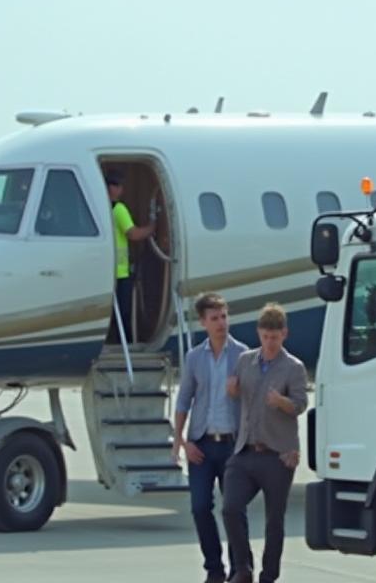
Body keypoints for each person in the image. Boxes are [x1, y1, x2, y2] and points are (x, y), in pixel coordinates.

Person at [222, 303, 308, 583]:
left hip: (278, 455)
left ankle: (269, 576)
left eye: (275, 337)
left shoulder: (293, 367)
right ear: (259, 333)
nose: (270, 342)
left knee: (274, 521)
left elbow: (300, 404)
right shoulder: (245, 361)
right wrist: (232, 390)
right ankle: (242, 568)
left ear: (284, 334)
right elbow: (237, 394)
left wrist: (282, 402)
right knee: (230, 508)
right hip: (245, 451)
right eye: (266, 336)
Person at [172, 293, 249, 583]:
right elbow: (184, 400)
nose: (221, 323)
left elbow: (253, 400)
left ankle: (241, 569)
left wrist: (238, 392)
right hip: (201, 445)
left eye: (224, 317)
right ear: (203, 322)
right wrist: (182, 442)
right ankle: (214, 569)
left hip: (232, 445)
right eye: (215, 318)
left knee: (234, 509)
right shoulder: (194, 357)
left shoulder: (243, 355)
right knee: (200, 507)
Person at [105, 168, 154, 342]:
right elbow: (133, 234)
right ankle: (125, 342)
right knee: (123, 312)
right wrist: (151, 228)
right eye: (117, 185)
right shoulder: (119, 209)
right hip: (120, 271)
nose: (120, 189)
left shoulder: (103, 208)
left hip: (107, 270)